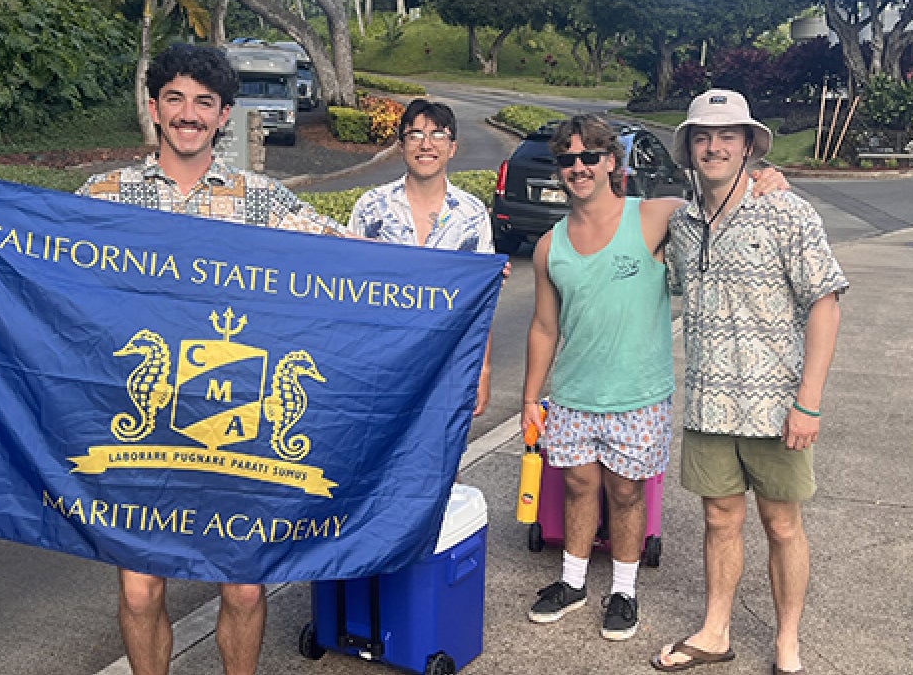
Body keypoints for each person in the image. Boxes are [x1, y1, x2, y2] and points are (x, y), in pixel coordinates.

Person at [0, 43, 342, 675]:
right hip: (142, 426)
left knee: (243, 588)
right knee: (139, 589)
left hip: (235, 434)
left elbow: (347, 261)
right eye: (174, 99)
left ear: (223, 116)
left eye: (203, 103)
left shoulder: (261, 201)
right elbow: (24, 251)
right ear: (154, 109)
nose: (188, 114)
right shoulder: (104, 194)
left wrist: (444, 285)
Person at [519, 115, 786, 643]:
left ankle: (623, 590)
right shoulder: (551, 246)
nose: (579, 167)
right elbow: (544, 328)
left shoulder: (654, 217)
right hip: (573, 394)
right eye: (568, 160)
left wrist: (766, 177)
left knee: (625, 493)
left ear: (611, 162)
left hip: (638, 395)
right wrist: (531, 397)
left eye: (589, 157)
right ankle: (572, 583)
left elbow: (720, 206)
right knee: (577, 487)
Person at [651, 90, 846, 675]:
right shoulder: (681, 224)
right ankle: (716, 631)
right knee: (719, 518)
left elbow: (826, 302)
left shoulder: (787, 211)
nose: (714, 146)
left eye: (727, 136)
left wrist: (808, 403)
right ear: (688, 147)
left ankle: (788, 641)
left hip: (777, 407)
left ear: (748, 146)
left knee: (782, 523)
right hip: (709, 404)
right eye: (703, 137)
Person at [348, 99, 497, 416]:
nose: (426, 145)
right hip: (379, 363)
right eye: (415, 135)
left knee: (439, 459)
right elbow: (349, 288)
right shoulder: (371, 207)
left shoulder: (472, 216)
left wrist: (482, 369)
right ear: (401, 145)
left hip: (447, 365)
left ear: (453, 147)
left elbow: (481, 301)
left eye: (438, 135)